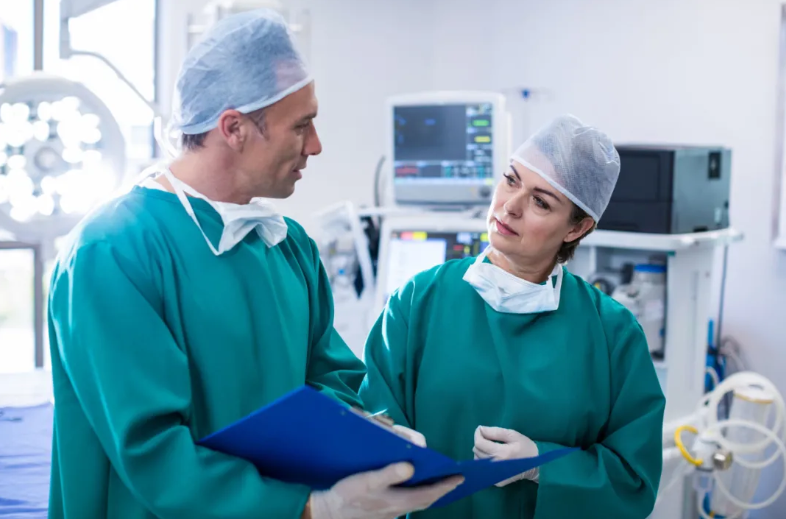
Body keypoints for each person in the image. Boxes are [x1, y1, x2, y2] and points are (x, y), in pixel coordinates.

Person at [46, 9, 461, 519]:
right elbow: (152, 454)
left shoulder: (286, 245)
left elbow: (328, 376)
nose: (316, 146)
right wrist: (310, 508)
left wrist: (370, 430)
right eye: (301, 126)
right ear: (234, 128)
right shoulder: (112, 253)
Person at [360, 115, 666, 518]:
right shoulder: (418, 302)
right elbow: (370, 430)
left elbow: (634, 481)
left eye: (540, 202)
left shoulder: (613, 334)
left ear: (577, 229)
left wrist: (545, 465)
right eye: (511, 180)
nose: (510, 206)